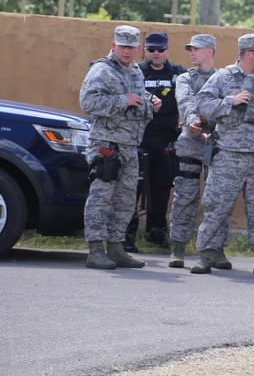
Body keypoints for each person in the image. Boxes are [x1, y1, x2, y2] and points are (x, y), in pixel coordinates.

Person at [190, 33, 254, 276]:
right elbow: (201, 105)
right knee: (217, 207)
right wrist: (230, 101)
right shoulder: (223, 77)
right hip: (229, 154)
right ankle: (205, 255)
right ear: (249, 53)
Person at [80, 25, 160, 269]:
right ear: (114, 45)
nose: (127, 51)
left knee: (125, 201)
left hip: (130, 146)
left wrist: (149, 101)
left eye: (131, 47)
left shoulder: (134, 70)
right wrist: (121, 100)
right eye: (122, 46)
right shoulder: (102, 70)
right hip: (107, 146)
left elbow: (136, 95)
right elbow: (88, 101)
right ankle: (95, 251)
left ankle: (116, 248)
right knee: (101, 199)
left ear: (138, 49)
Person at [125, 31, 185, 249]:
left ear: (167, 50)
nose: (156, 53)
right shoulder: (136, 72)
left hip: (166, 141)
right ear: (145, 51)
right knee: (133, 187)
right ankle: (127, 237)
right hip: (140, 138)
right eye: (151, 49)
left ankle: (156, 235)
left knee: (161, 188)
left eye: (160, 49)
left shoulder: (179, 73)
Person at [166, 33, 217, 268]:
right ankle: (178, 248)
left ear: (210, 51)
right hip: (190, 140)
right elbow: (185, 101)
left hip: (216, 143)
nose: (191, 53)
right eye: (190, 49)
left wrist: (209, 127)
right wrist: (194, 122)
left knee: (217, 198)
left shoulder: (223, 78)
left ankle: (215, 249)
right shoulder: (185, 77)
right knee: (185, 196)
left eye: (196, 48)